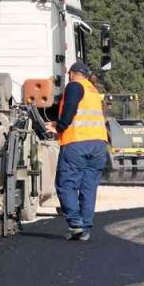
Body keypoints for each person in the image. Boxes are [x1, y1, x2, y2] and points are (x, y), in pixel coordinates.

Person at [46, 62, 110, 242]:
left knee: (66, 184)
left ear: (72, 74)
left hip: (77, 143)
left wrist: (58, 126)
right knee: (89, 187)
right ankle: (85, 228)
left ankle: (75, 224)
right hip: (98, 145)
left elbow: (70, 110)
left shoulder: (74, 86)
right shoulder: (93, 90)